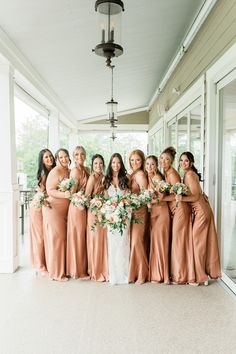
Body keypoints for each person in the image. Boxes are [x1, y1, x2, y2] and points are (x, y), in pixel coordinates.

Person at [178, 152, 221, 285]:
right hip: (203, 210)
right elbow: (199, 193)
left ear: (191, 162)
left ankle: (200, 277)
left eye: (186, 161)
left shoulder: (190, 174)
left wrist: (182, 198)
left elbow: (195, 197)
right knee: (202, 243)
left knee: (198, 244)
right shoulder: (188, 174)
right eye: (181, 160)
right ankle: (203, 274)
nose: (183, 163)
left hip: (201, 212)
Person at [160, 147, 195, 285]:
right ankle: (181, 273)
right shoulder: (166, 172)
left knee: (179, 243)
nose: (163, 161)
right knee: (178, 242)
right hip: (176, 211)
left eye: (167, 159)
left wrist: (161, 199)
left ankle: (181, 276)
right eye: (161, 158)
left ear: (172, 161)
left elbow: (177, 196)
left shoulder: (173, 174)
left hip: (180, 210)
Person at [42, 148, 71, 281]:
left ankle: (62, 269)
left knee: (62, 240)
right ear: (57, 159)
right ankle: (56, 274)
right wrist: (65, 194)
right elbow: (50, 190)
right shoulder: (55, 171)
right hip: (54, 210)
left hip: (64, 211)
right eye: (61, 157)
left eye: (66, 156)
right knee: (57, 241)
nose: (64, 159)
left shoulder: (69, 171)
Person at [104, 153, 130, 285]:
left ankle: (124, 274)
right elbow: (104, 198)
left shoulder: (125, 178)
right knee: (113, 244)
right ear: (110, 164)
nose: (116, 165)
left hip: (124, 213)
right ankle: (114, 274)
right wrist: (110, 210)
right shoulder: (106, 179)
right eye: (114, 162)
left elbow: (127, 196)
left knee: (123, 243)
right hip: (110, 215)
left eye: (118, 162)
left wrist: (122, 209)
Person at [29, 149, 56, 275]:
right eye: (46, 157)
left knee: (47, 236)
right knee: (40, 237)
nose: (49, 159)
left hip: (47, 206)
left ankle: (47, 263)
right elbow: (42, 193)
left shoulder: (53, 170)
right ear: (42, 160)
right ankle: (40, 266)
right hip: (38, 207)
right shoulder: (43, 173)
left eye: (51, 156)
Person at [145, 155, 170, 284]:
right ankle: (156, 273)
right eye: (147, 164)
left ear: (156, 165)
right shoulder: (150, 178)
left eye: (152, 164)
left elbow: (161, 197)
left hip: (161, 212)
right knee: (156, 242)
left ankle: (161, 275)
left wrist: (148, 201)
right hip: (154, 213)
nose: (149, 166)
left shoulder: (157, 178)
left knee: (160, 243)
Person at [66, 146, 90, 279]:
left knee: (83, 237)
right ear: (73, 157)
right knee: (77, 237)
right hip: (77, 208)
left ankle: (83, 267)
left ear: (85, 156)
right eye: (76, 155)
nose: (79, 157)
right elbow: (71, 193)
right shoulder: (74, 172)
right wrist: (80, 203)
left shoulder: (87, 169)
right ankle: (77, 270)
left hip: (85, 206)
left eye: (82, 154)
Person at [85, 154, 108, 282]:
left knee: (103, 241)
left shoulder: (104, 178)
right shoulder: (92, 178)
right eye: (95, 164)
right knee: (95, 241)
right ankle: (95, 270)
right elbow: (87, 197)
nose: (98, 166)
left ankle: (103, 268)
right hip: (94, 213)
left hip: (103, 212)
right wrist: (95, 205)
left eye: (100, 163)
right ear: (92, 165)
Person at [128, 149, 149, 284]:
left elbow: (145, 194)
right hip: (132, 211)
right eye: (132, 160)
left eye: (137, 160)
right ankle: (134, 272)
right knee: (134, 242)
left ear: (142, 161)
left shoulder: (140, 174)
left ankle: (142, 274)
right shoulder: (133, 173)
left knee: (137, 241)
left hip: (140, 211)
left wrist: (134, 201)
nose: (134, 163)